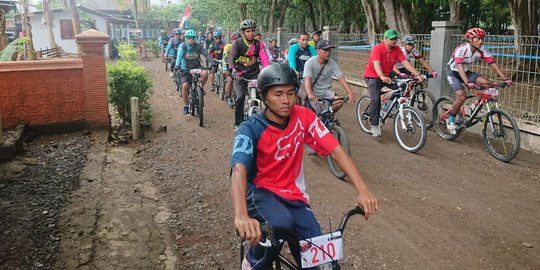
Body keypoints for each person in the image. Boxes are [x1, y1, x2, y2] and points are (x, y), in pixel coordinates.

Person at [231, 63, 379, 270]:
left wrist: (362, 190)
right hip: (261, 193)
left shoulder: (304, 117)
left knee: (325, 263)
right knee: (279, 224)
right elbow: (239, 169)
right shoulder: (250, 128)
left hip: (295, 197)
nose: (286, 100)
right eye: (278, 94)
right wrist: (241, 215)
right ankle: (252, 260)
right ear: (265, 97)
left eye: (291, 93)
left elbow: (336, 150)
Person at [445, 27, 512, 134]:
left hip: (465, 72)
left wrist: (505, 78)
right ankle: (451, 119)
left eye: (482, 38)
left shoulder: (482, 49)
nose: (481, 41)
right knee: (462, 96)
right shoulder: (461, 49)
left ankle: (474, 105)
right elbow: (460, 67)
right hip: (453, 72)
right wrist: (467, 82)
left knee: (487, 84)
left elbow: (492, 64)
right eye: (478, 38)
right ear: (470, 39)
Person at [363, 29, 424, 137]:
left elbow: (405, 63)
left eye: (395, 39)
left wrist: (417, 74)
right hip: (373, 76)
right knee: (376, 99)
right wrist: (382, 76)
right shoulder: (378, 49)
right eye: (391, 39)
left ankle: (390, 106)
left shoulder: (396, 50)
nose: (394, 41)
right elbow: (376, 64)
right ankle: (374, 125)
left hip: (388, 74)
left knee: (404, 86)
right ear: (384, 39)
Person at [228, 19, 270, 129]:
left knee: (265, 95)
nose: (251, 33)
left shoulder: (258, 44)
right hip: (240, 75)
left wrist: (268, 70)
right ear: (243, 32)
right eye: (248, 31)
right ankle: (238, 123)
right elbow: (231, 58)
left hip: (255, 74)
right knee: (240, 97)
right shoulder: (237, 43)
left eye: (252, 31)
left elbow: (264, 58)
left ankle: (269, 120)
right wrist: (233, 70)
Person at [302, 40, 355, 114]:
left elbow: (341, 78)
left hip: (326, 92)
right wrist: (310, 94)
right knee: (312, 114)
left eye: (329, 50)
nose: (328, 52)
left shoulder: (332, 63)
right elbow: (307, 79)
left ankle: (327, 115)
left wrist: (350, 92)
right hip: (313, 91)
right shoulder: (310, 62)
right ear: (318, 50)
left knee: (339, 102)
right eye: (325, 50)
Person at [175, 29, 215, 115]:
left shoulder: (198, 46)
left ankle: (200, 87)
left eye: (193, 38)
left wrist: (212, 63)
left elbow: (206, 54)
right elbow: (179, 56)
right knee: (185, 86)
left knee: (205, 73)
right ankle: (185, 105)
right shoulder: (183, 46)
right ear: (185, 38)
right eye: (189, 38)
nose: (191, 40)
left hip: (197, 67)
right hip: (185, 68)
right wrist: (177, 66)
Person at [222, 33, 240, 108]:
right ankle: (229, 97)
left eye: (237, 40)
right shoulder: (228, 46)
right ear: (232, 40)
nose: (235, 41)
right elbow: (225, 58)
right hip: (227, 64)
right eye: (234, 40)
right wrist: (226, 69)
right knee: (230, 80)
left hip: (237, 65)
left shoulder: (241, 47)